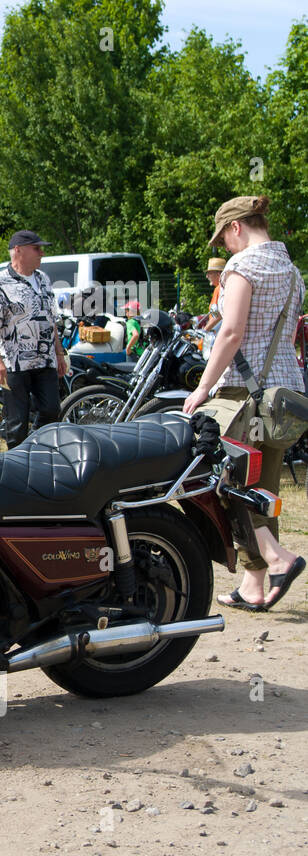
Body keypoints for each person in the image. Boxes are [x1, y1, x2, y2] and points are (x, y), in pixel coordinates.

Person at [183, 195, 306, 611]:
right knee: (262, 488)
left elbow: (231, 332)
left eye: (224, 239)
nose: (225, 250)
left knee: (224, 481)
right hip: (286, 395)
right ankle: (255, 585)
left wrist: (203, 387)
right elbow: (286, 338)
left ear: (237, 227)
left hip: (243, 393)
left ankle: (277, 558)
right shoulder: (292, 273)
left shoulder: (242, 267)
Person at [0, 230, 70, 448]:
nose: (42, 253)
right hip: (14, 364)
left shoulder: (44, 279)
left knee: (51, 410)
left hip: (46, 360)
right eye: (37, 248)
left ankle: (34, 450)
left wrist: (59, 352)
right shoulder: (0, 283)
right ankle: (16, 464)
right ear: (18, 251)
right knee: (17, 421)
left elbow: (51, 320)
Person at [201, 257, 227, 332]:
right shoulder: (225, 288)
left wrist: (204, 330)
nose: (207, 276)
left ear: (219, 274)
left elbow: (217, 315)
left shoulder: (219, 289)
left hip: (218, 334)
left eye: (209, 273)